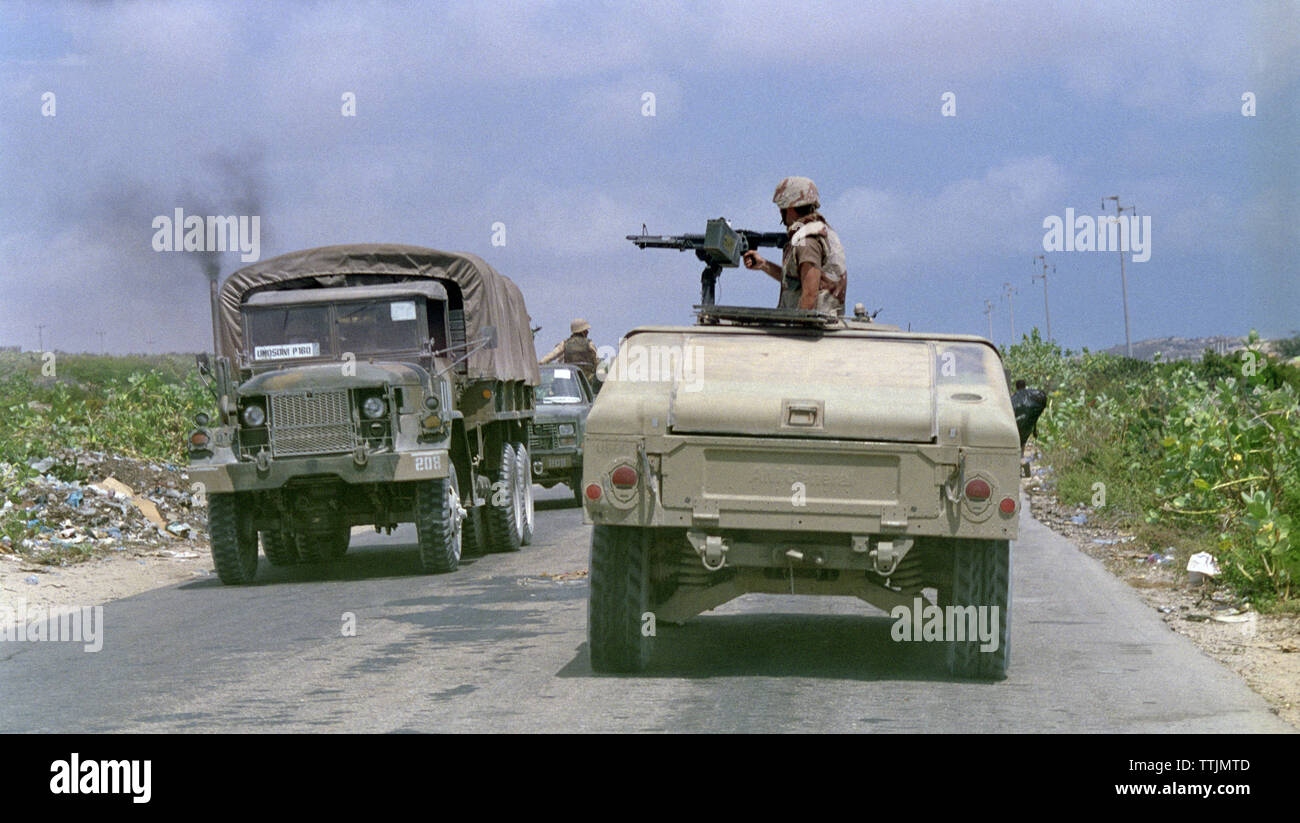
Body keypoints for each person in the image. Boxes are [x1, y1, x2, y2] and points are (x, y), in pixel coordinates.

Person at [742, 176, 847, 314]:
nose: (780, 212)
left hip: (809, 330)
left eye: (781, 207)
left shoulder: (807, 241)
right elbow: (796, 283)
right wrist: (764, 265)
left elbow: (810, 294)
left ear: (789, 207)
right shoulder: (817, 231)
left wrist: (798, 328)